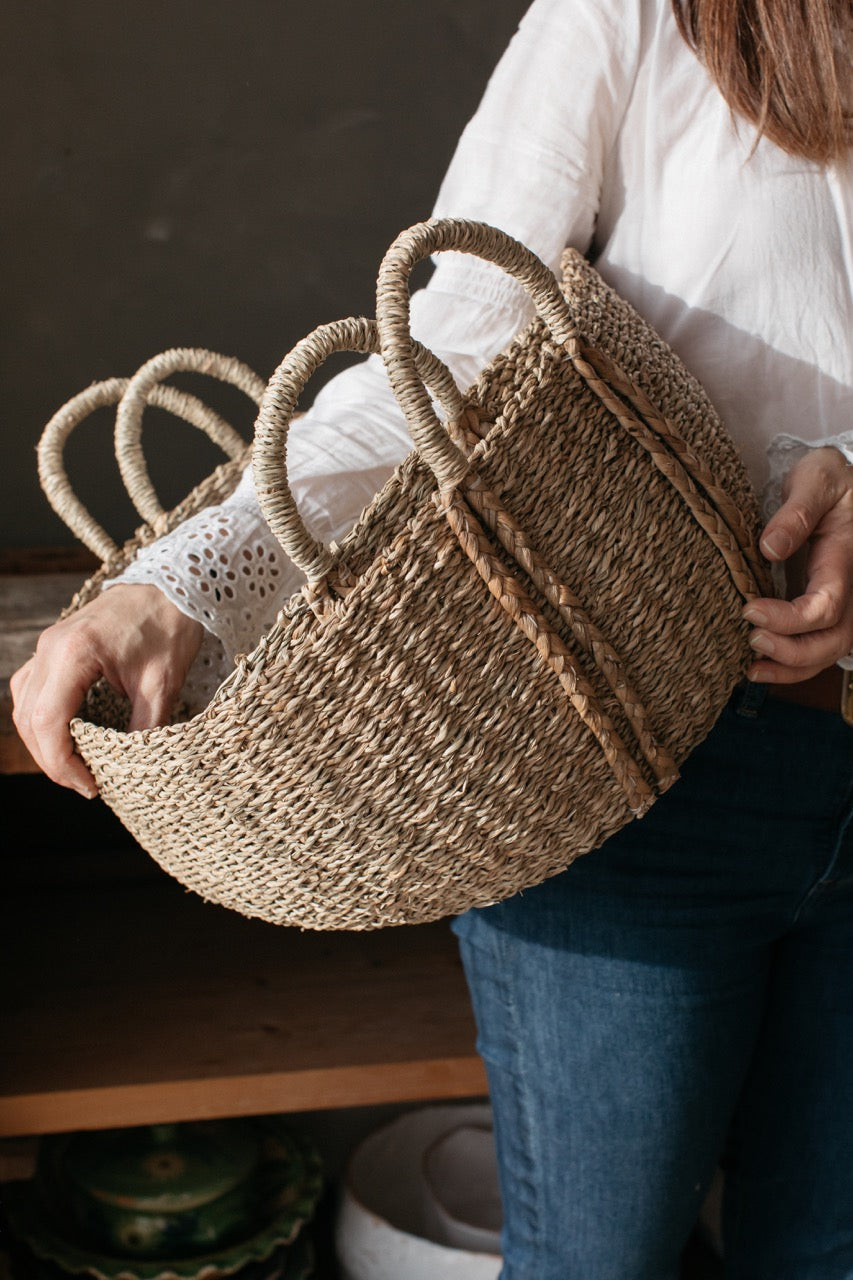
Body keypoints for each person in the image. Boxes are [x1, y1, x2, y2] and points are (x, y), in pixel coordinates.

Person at [11, 0, 853, 1275]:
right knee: (597, 1258)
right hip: (633, 767)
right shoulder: (634, 15)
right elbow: (449, 352)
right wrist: (181, 580)